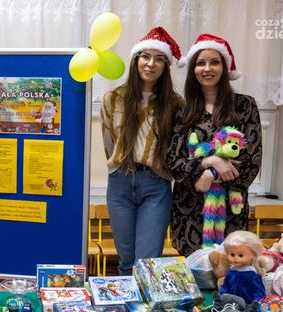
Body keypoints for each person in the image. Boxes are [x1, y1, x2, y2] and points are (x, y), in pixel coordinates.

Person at [168, 34, 262, 256]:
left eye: (214, 62)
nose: (207, 68)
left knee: (230, 268)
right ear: (193, 70)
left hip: (230, 210)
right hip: (189, 212)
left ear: (224, 68)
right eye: (201, 63)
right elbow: (173, 162)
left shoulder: (245, 106)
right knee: (194, 272)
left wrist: (211, 174)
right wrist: (208, 162)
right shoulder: (183, 111)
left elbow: (252, 160)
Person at [100, 27, 183, 275]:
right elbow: (108, 141)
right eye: (145, 56)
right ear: (136, 60)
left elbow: (177, 146)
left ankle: (146, 301)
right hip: (120, 182)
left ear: (165, 66)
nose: (150, 64)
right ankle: (126, 300)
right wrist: (117, 165)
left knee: (147, 262)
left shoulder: (175, 104)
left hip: (156, 184)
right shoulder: (113, 98)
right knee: (126, 259)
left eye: (159, 59)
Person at [219, 230, 265, 305]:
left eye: (240, 255)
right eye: (232, 254)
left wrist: (255, 305)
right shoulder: (231, 273)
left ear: (253, 254)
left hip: (248, 306)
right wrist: (222, 298)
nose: (235, 258)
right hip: (230, 305)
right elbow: (225, 287)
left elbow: (259, 293)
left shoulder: (253, 276)